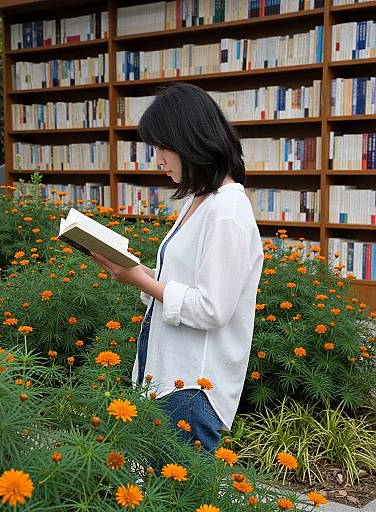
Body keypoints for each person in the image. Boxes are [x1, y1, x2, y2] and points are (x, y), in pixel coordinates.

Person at [90, 82, 264, 454]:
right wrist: (137, 272)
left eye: (161, 148)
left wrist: (140, 280)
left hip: (191, 390)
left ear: (190, 141)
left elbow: (212, 308)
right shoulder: (199, 201)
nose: (157, 160)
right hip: (168, 377)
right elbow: (188, 283)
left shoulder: (227, 211)